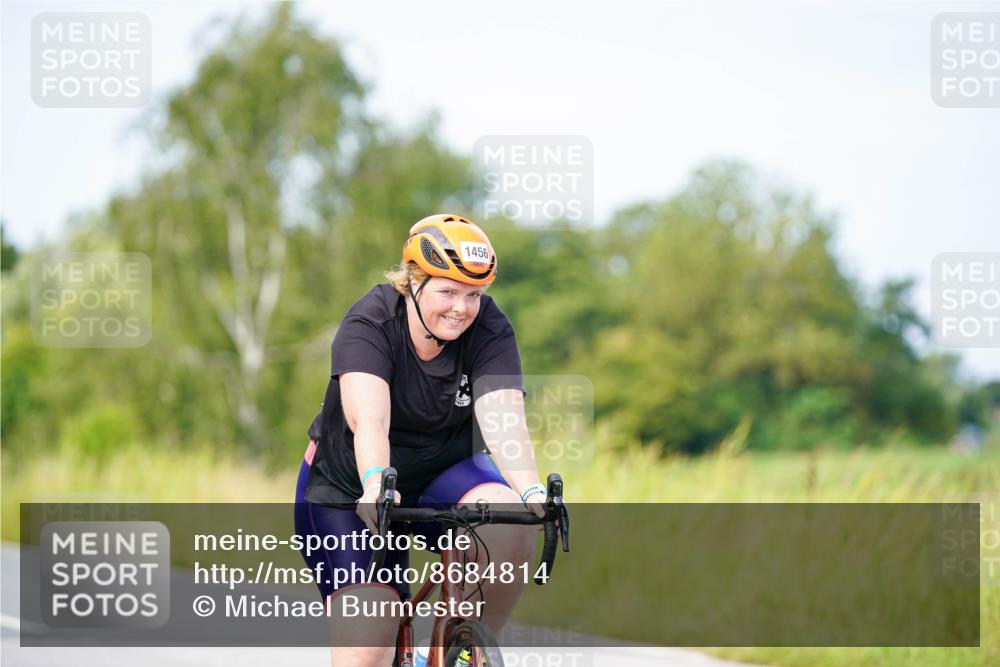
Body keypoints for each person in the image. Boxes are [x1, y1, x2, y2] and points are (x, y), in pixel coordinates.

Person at [294, 214, 547, 666]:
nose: (461, 308)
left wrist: (530, 491)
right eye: (447, 291)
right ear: (413, 281)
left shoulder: (488, 327)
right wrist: (375, 483)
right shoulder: (370, 322)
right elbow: (368, 419)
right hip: (350, 487)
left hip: (443, 472)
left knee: (510, 525)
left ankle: (465, 649)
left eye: (473, 295)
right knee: (370, 642)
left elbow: (503, 416)